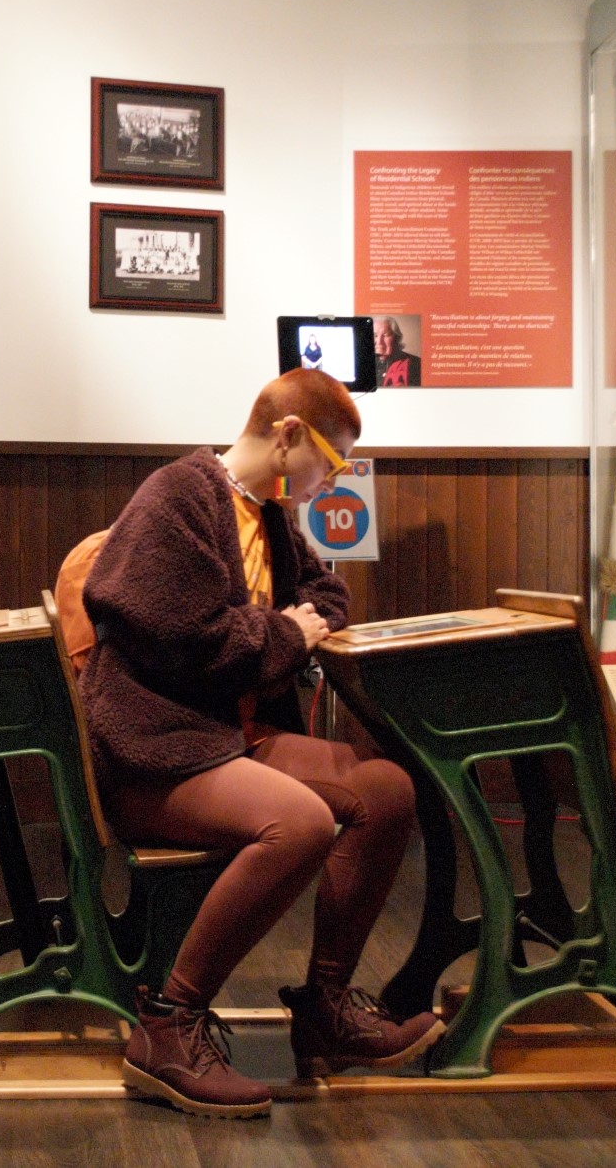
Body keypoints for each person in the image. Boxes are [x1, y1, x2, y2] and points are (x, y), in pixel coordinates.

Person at [80, 368, 441, 1118]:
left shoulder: (271, 516)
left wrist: (284, 629)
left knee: (388, 789)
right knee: (301, 821)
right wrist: (283, 631)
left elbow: (326, 596)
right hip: (156, 746)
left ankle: (325, 1008)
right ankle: (167, 1028)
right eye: (333, 463)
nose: (333, 481)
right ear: (286, 437)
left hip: (229, 737)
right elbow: (174, 633)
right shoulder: (177, 494)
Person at [374, 315, 421, 387]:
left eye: (386, 335)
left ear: (397, 338)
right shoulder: (366, 365)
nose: (379, 342)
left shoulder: (416, 364)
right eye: (375, 336)